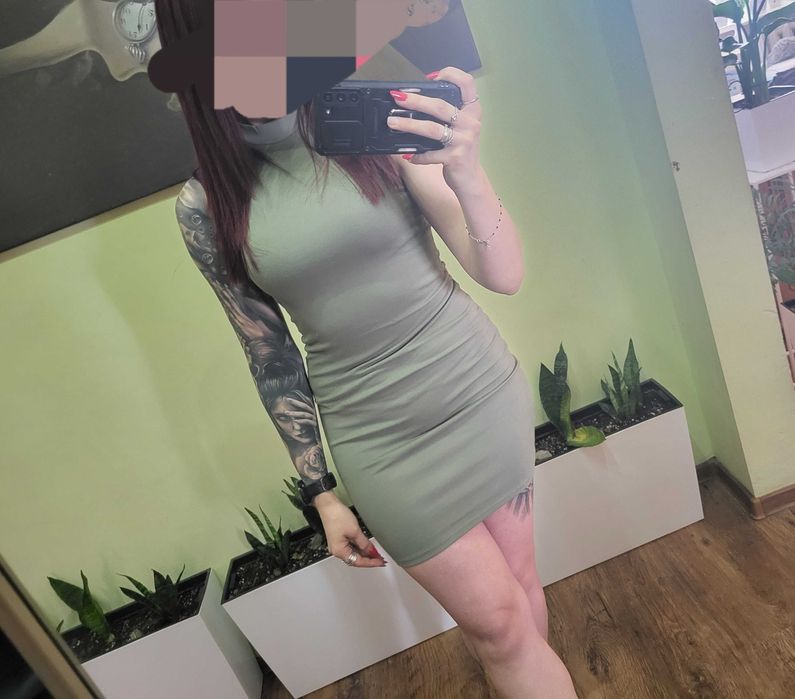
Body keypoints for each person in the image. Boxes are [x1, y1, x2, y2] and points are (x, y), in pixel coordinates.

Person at [156, 1, 578, 696]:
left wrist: (468, 170)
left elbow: (503, 274)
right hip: (380, 444)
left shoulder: (372, 115)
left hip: (475, 387)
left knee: (520, 588)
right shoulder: (205, 206)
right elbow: (269, 357)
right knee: (498, 625)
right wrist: (321, 493)